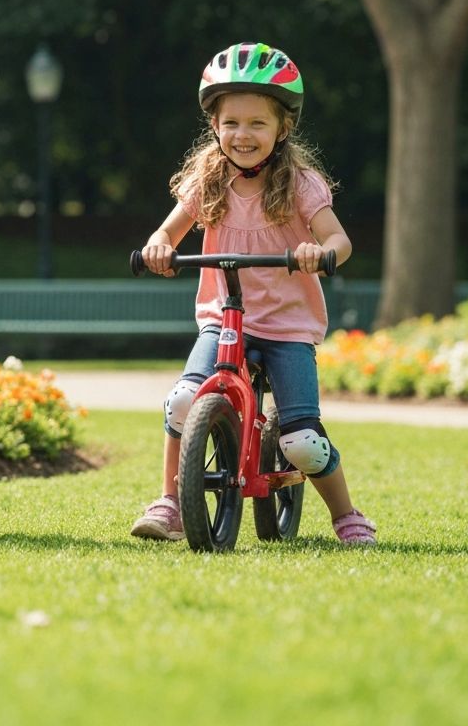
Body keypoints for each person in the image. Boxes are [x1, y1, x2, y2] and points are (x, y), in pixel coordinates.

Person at [130, 42, 376, 546]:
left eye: (257, 123)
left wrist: (319, 251)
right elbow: (167, 234)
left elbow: (340, 241)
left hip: (288, 327)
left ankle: (347, 515)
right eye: (232, 123)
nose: (243, 135)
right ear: (215, 127)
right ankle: (171, 503)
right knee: (182, 403)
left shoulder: (302, 184)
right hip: (224, 318)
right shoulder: (208, 180)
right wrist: (158, 247)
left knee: (303, 443)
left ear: (283, 128)